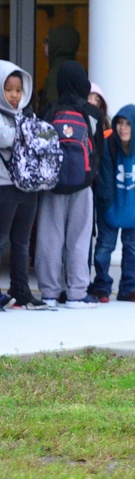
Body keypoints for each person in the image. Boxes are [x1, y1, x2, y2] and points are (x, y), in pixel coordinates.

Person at [35, 61, 105, 309]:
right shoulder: (92, 114)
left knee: (49, 237)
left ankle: (50, 294)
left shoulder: (49, 111)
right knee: (79, 237)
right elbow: (99, 152)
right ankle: (76, 293)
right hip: (82, 185)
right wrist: (88, 176)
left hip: (52, 186)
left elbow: (39, 148)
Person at [91, 105, 135, 303]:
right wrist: (107, 204)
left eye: (128, 124)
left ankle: (129, 288)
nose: (122, 128)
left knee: (132, 248)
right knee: (104, 246)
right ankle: (101, 286)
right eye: (119, 122)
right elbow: (104, 176)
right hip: (110, 204)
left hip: (133, 206)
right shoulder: (108, 144)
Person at [0, 61, 47, 310]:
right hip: (4, 185)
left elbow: (41, 140)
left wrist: (27, 130)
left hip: (28, 185)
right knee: (1, 238)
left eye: (18, 89)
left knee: (21, 241)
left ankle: (20, 289)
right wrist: (28, 132)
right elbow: (7, 137)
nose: (15, 95)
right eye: (9, 89)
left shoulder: (27, 115)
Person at [39, 24, 80, 113]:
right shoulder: (74, 71)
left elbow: (52, 107)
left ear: (57, 44)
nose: (43, 45)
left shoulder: (57, 74)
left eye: (47, 41)